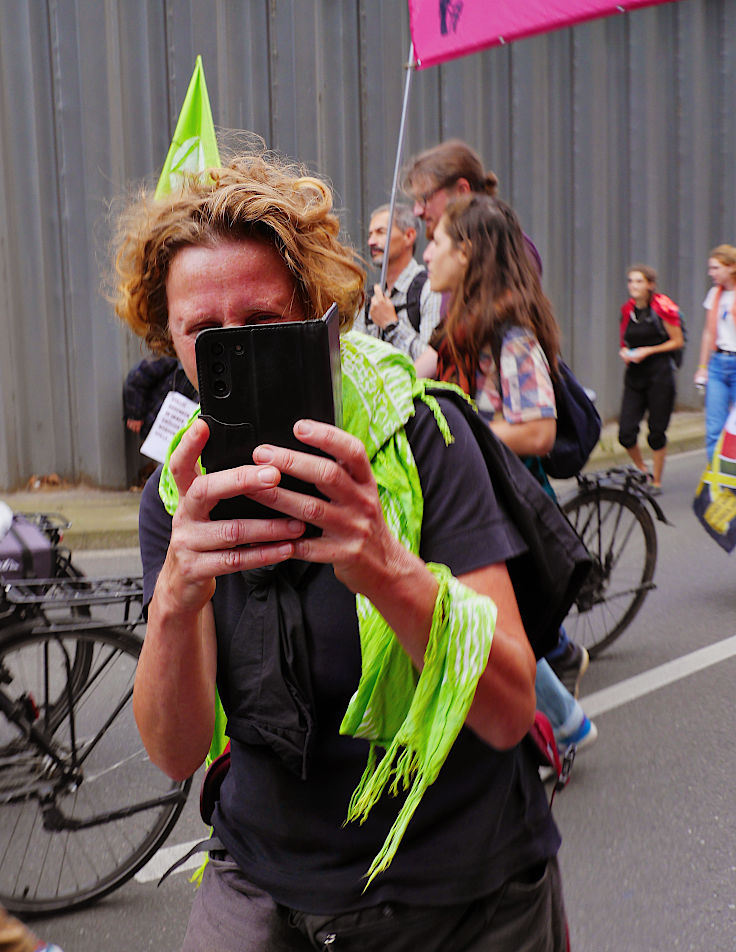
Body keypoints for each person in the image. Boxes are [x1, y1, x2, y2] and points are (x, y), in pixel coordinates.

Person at [112, 151, 568, 951]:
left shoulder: (423, 435)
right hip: (262, 880)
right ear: (170, 343)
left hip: (461, 893)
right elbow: (177, 750)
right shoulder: (177, 497)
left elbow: (506, 712)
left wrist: (384, 565)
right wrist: (177, 600)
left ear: (315, 314)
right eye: (205, 337)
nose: (236, 355)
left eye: (262, 325)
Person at [423, 191, 597, 755]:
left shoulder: (511, 335)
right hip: (477, 499)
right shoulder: (460, 329)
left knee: (495, 630)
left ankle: (562, 724)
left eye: (437, 242)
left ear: (467, 252)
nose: (429, 255)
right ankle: (557, 717)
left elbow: (539, 430)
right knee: (494, 627)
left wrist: (458, 435)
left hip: (506, 506)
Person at [617, 265, 684, 493]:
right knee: (625, 433)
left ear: (650, 286)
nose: (633, 286)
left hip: (660, 375)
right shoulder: (627, 310)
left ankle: (656, 481)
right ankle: (642, 470)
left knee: (656, 431)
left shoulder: (663, 308)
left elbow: (677, 341)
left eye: (638, 281)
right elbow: (624, 339)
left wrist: (648, 351)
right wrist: (625, 352)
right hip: (635, 376)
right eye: (630, 281)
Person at [353, 203, 442, 361]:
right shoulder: (367, 300)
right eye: (370, 234)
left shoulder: (430, 289)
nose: (371, 242)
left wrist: (392, 325)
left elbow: (436, 362)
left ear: (409, 236)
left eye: (381, 232)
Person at [694, 245, 736, 462]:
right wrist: (702, 368)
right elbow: (709, 333)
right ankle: (718, 483)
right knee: (714, 428)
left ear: (731, 268)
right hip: (719, 363)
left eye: (716, 268)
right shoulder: (715, 294)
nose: (711, 273)